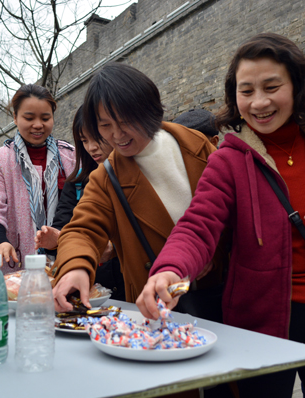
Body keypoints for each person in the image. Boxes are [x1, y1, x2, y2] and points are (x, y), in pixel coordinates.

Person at [136, 33, 305, 398]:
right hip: (260, 325)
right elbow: (198, 225)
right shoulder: (228, 160)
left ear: (297, 86)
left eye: (271, 87)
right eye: (246, 91)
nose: (259, 103)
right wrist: (169, 270)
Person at [51, 63, 226, 314]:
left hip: (221, 295)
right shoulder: (106, 177)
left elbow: (228, 207)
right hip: (155, 308)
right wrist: (75, 267)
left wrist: (212, 253)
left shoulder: (195, 144)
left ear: (149, 110)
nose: (117, 135)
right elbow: (82, 230)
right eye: (105, 125)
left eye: (126, 122)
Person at [0, 84, 75, 273]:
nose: (38, 125)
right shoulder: (1, 158)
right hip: (18, 263)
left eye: (45, 118)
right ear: (15, 117)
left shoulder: (70, 156)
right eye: (29, 118)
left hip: (66, 260)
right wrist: (0, 241)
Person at [35, 106, 125, 300]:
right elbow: (65, 226)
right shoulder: (77, 183)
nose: (91, 147)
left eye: (97, 138)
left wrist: (114, 249)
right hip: (93, 289)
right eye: (84, 141)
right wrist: (56, 238)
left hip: (133, 286)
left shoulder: (135, 177)